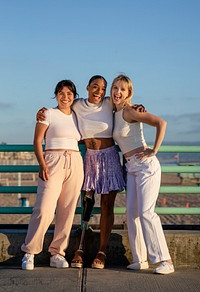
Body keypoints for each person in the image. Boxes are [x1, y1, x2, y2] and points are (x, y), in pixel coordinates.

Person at [37, 75, 144, 269]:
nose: (99, 91)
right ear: (87, 87)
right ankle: (80, 248)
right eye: (95, 87)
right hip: (89, 158)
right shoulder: (77, 104)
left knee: (106, 205)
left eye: (103, 89)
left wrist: (138, 107)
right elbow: (62, 106)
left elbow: (124, 104)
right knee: (86, 203)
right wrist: (43, 111)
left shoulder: (109, 103)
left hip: (109, 157)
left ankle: (102, 252)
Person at [111, 74, 174, 275]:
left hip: (146, 166)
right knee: (131, 214)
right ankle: (140, 259)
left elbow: (161, 123)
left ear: (129, 93)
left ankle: (165, 260)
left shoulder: (130, 111)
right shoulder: (114, 111)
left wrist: (154, 150)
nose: (117, 92)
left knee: (147, 212)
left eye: (122, 89)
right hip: (131, 168)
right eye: (115, 88)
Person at [21, 80, 84, 270]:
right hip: (52, 161)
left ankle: (57, 253)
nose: (65, 97)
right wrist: (42, 164)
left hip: (75, 161)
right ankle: (29, 252)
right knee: (44, 208)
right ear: (56, 95)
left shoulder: (78, 115)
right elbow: (37, 140)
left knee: (67, 210)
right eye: (61, 93)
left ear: (74, 95)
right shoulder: (47, 113)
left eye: (69, 93)